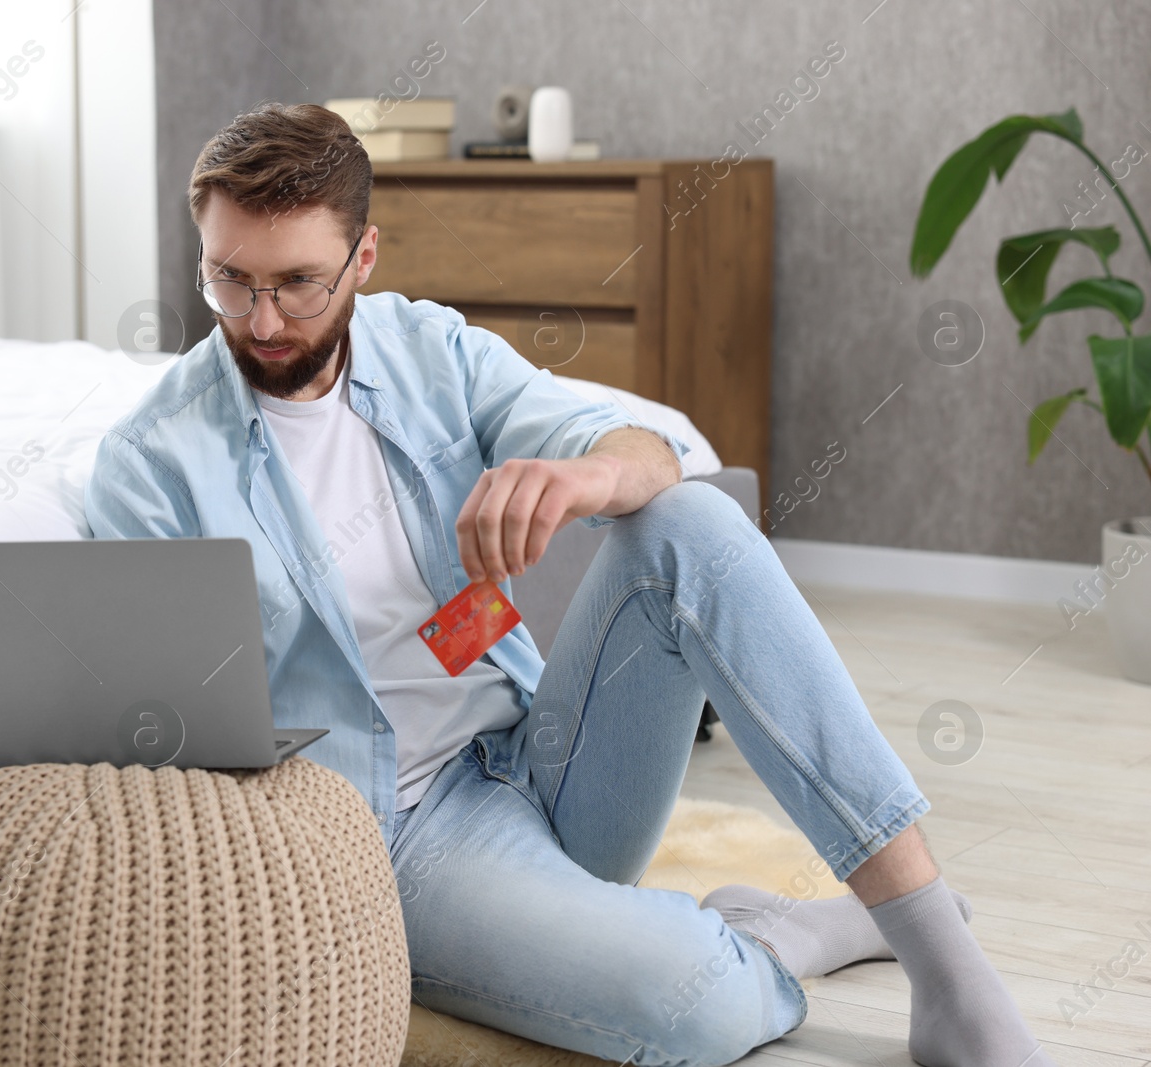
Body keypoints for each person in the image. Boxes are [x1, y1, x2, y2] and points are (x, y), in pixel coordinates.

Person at [84, 102, 1054, 1067]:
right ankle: (777, 936)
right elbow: (160, 739)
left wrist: (587, 476)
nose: (261, 321)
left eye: (297, 283)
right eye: (228, 280)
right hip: (395, 835)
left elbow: (644, 450)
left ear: (363, 259)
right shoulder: (152, 463)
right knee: (697, 1004)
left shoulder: (428, 350)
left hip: (536, 748)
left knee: (690, 519)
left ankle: (948, 969)